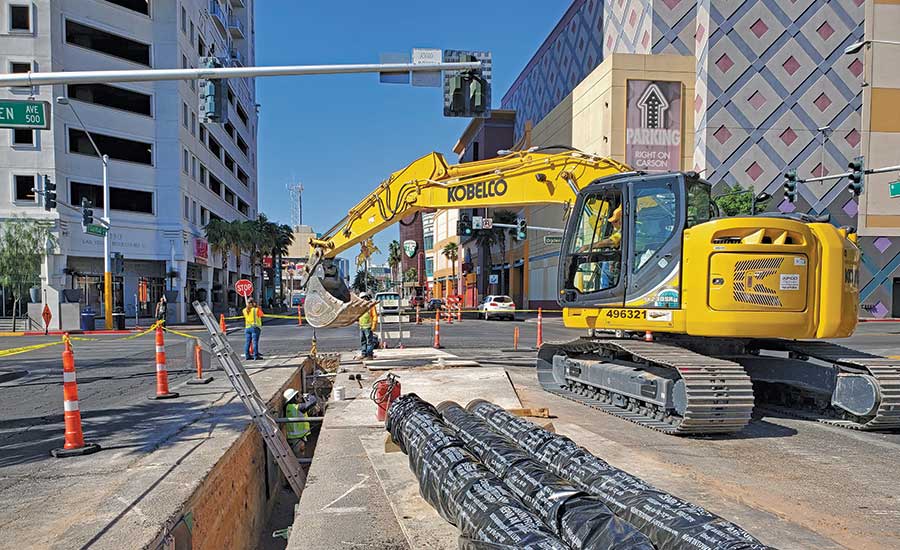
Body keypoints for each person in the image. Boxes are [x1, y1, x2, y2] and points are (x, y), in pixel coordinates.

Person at [283, 388, 316, 456]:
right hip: (296, 438)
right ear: (294, 397)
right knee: (298, 456)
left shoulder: (290, 407)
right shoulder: (294, 407)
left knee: (300, 453)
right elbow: (312, 402)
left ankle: (302, 465)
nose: (299, 397)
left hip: (297, 437)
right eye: (297, 396)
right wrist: (309, 396)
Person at [358, 292, 377, 359]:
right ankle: (364, 354)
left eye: (363, 298)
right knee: (363, 341)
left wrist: (373, 325)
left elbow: (374, 316)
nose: (363, 299)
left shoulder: (371, 306)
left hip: (368, 327)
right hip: (362, 327)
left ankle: (369, 355)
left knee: (369, 341)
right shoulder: (360, 306)